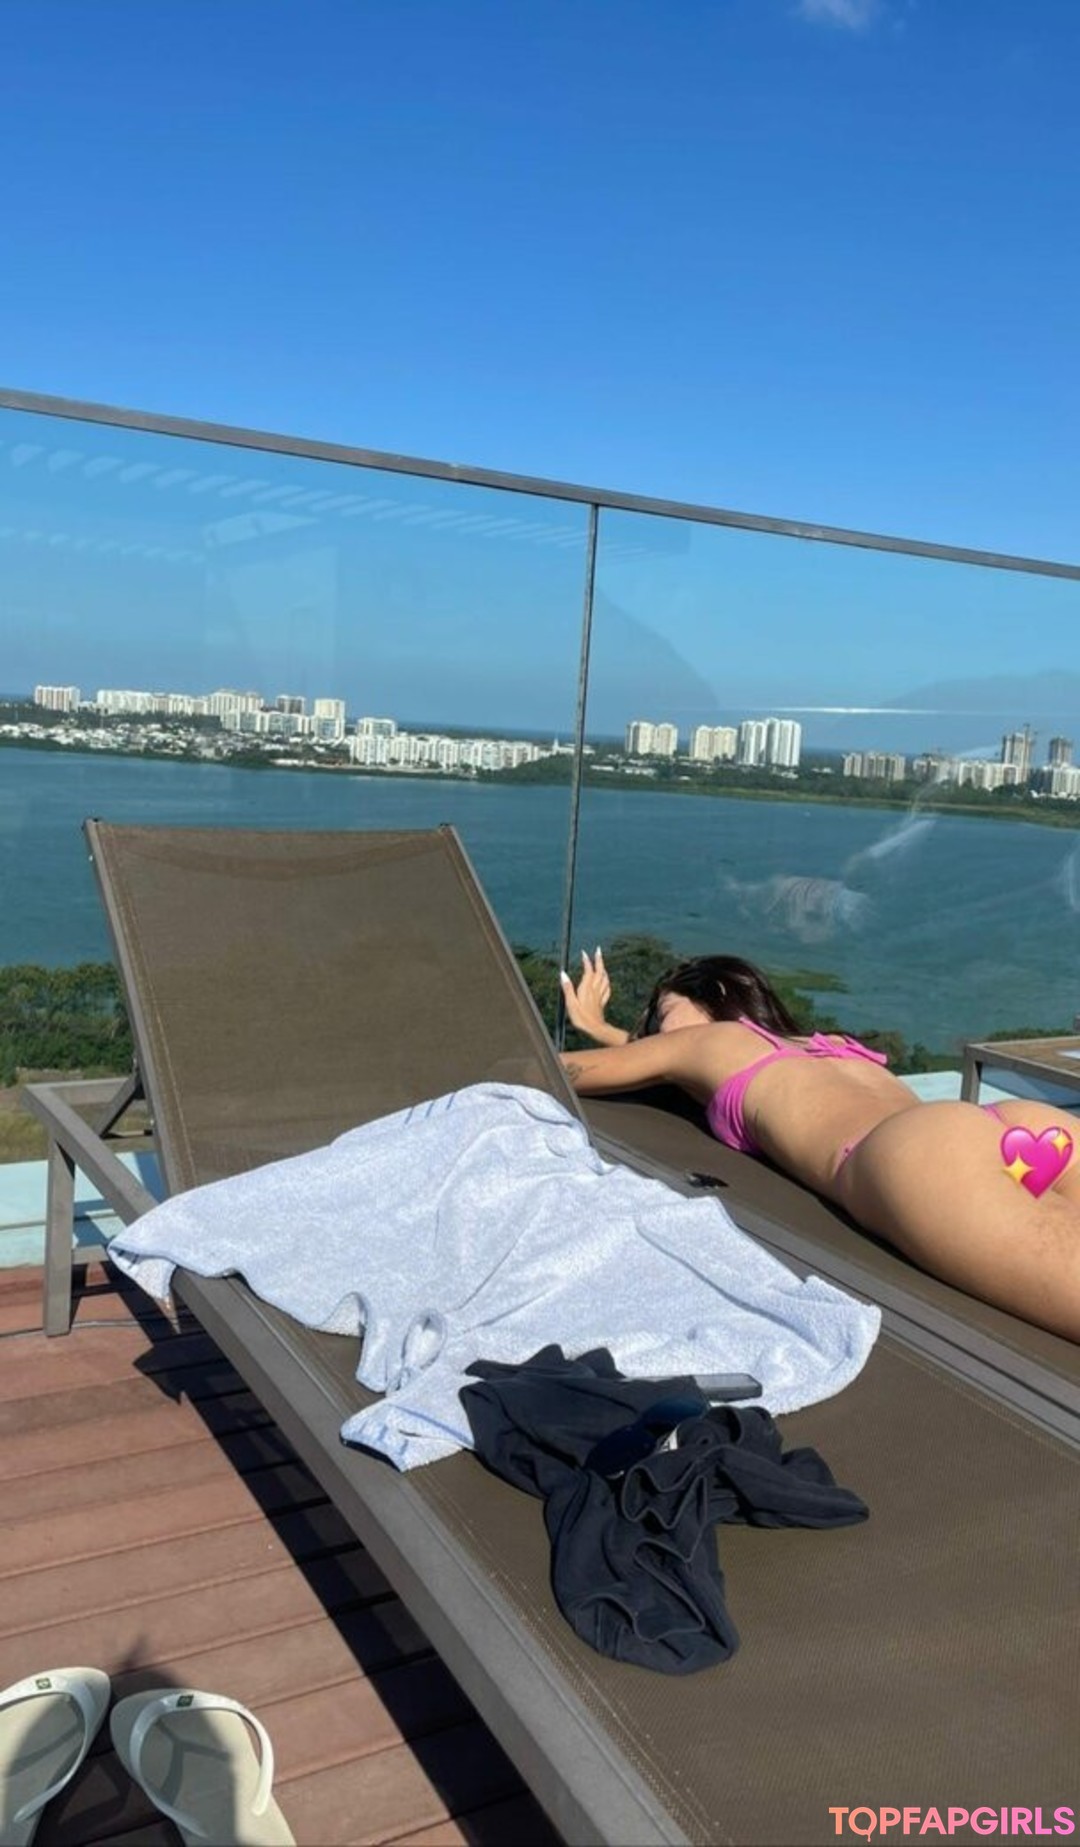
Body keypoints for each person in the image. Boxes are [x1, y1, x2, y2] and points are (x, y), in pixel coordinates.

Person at [558, 949, 1080, 1342]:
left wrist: (591, 1028)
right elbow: (669, 1060)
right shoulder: (828, 1045)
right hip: (1014, 1126)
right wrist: (614, 1034)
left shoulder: (702, 1043)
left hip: (922, 1153)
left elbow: (562, 1070)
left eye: (663, 1013)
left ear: (713, 996)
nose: (656, 1029)